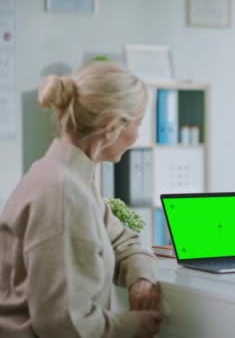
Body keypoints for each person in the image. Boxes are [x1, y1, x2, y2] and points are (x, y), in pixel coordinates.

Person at [0, 61, 163, 337]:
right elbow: (64, 325)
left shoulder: (69, 178)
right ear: (111, 127)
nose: (137, 137)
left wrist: (141, 278)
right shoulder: (62, 194)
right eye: (138, 123)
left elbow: (123, 241)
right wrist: (132, 325)